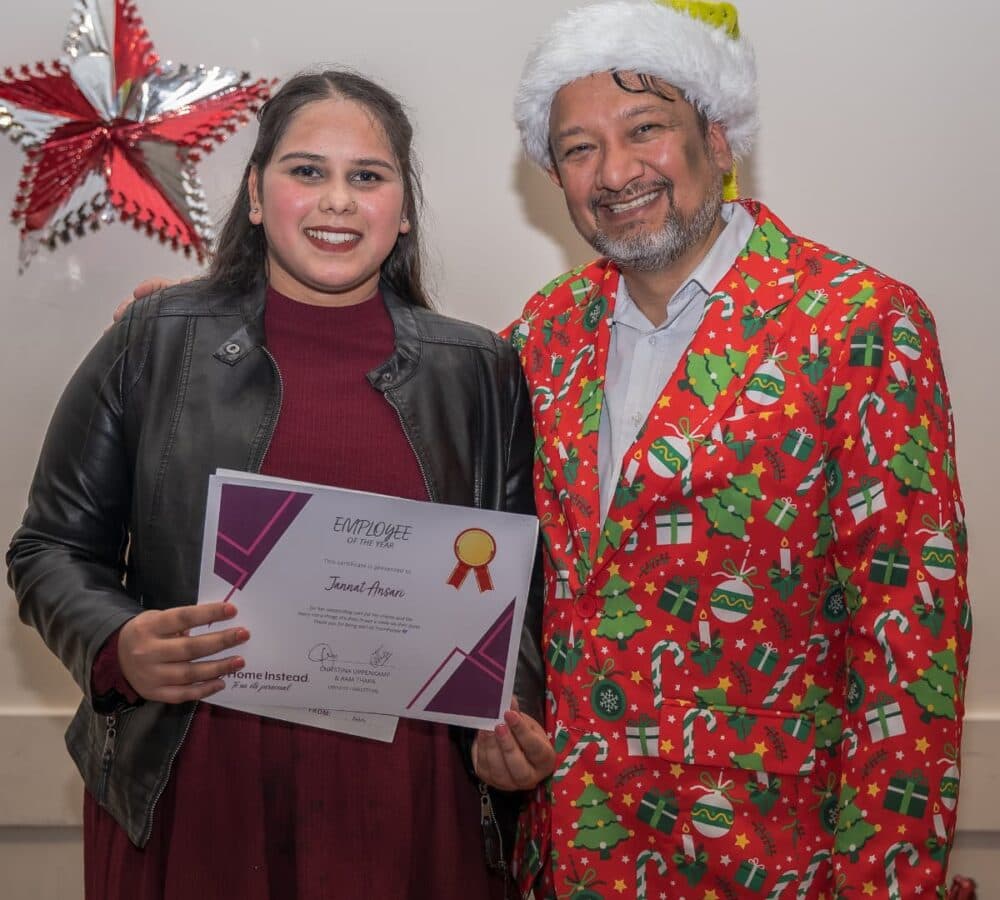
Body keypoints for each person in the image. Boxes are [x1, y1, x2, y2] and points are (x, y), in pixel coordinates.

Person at [7, 69, 554, 900]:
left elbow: (514, 591)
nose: (337, 199)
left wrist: (507, 714)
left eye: (366, 177)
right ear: (257, 197)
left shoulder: (478, 371)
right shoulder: (156, 341)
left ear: (402, 211)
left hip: (413, 795)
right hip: (199, 789)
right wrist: (119, 645)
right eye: (307, 171)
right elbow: (50, 548)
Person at [504, 1, 970, 898]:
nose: (616, 172)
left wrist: (888, 881)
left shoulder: (858, 323)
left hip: (772, 857)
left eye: (646, 129)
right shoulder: (538, 336)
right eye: (579, 148)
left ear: (717, 140)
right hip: (572, 851)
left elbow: (911, 639)